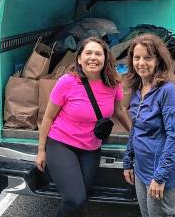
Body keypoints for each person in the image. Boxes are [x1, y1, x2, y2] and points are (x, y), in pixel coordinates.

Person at [35, 37, 131, 217]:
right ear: (79, 59)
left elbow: (119, 109)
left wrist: (134, 134)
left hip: (91, 147)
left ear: (106, 58)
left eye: (98, 53)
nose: (93, 57)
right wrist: (41, 150)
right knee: (75, 199)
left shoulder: (113, 84)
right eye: (88, 53)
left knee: (82, 199)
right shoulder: (67, 82)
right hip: (61, 143)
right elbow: (48, 117)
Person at [123, 34, 175, 217]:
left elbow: (174, 137)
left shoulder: (167, 91)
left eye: (147, 57)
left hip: (160, 172)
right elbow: (136, 128)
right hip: (142, 168)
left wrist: (160, 177)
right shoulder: (138, 88)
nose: (141, 62)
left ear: (158, 60)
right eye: (137, 57)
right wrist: (128, 161)